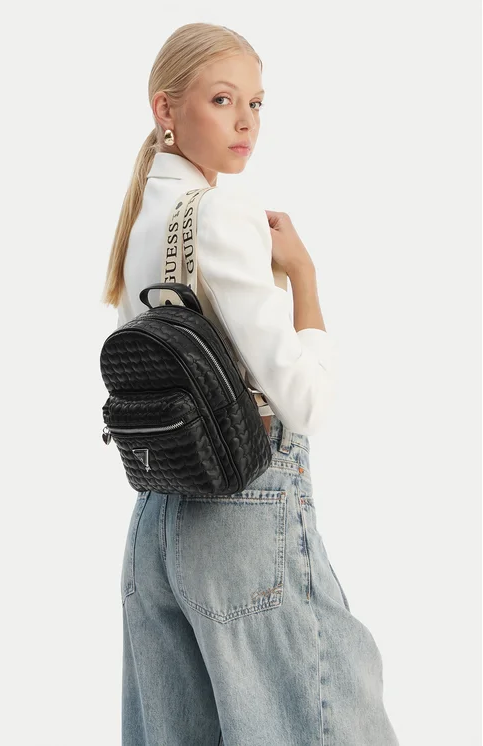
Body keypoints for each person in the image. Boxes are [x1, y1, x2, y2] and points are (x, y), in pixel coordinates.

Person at [101, 22, 400, 746]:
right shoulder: (223, 213)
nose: (245, 122)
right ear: (166, 110)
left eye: (256, 103)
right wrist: (304, 277)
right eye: (222, 99)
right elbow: (305, 400)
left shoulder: (143, 222)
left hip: (157, 523)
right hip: (243, 514)